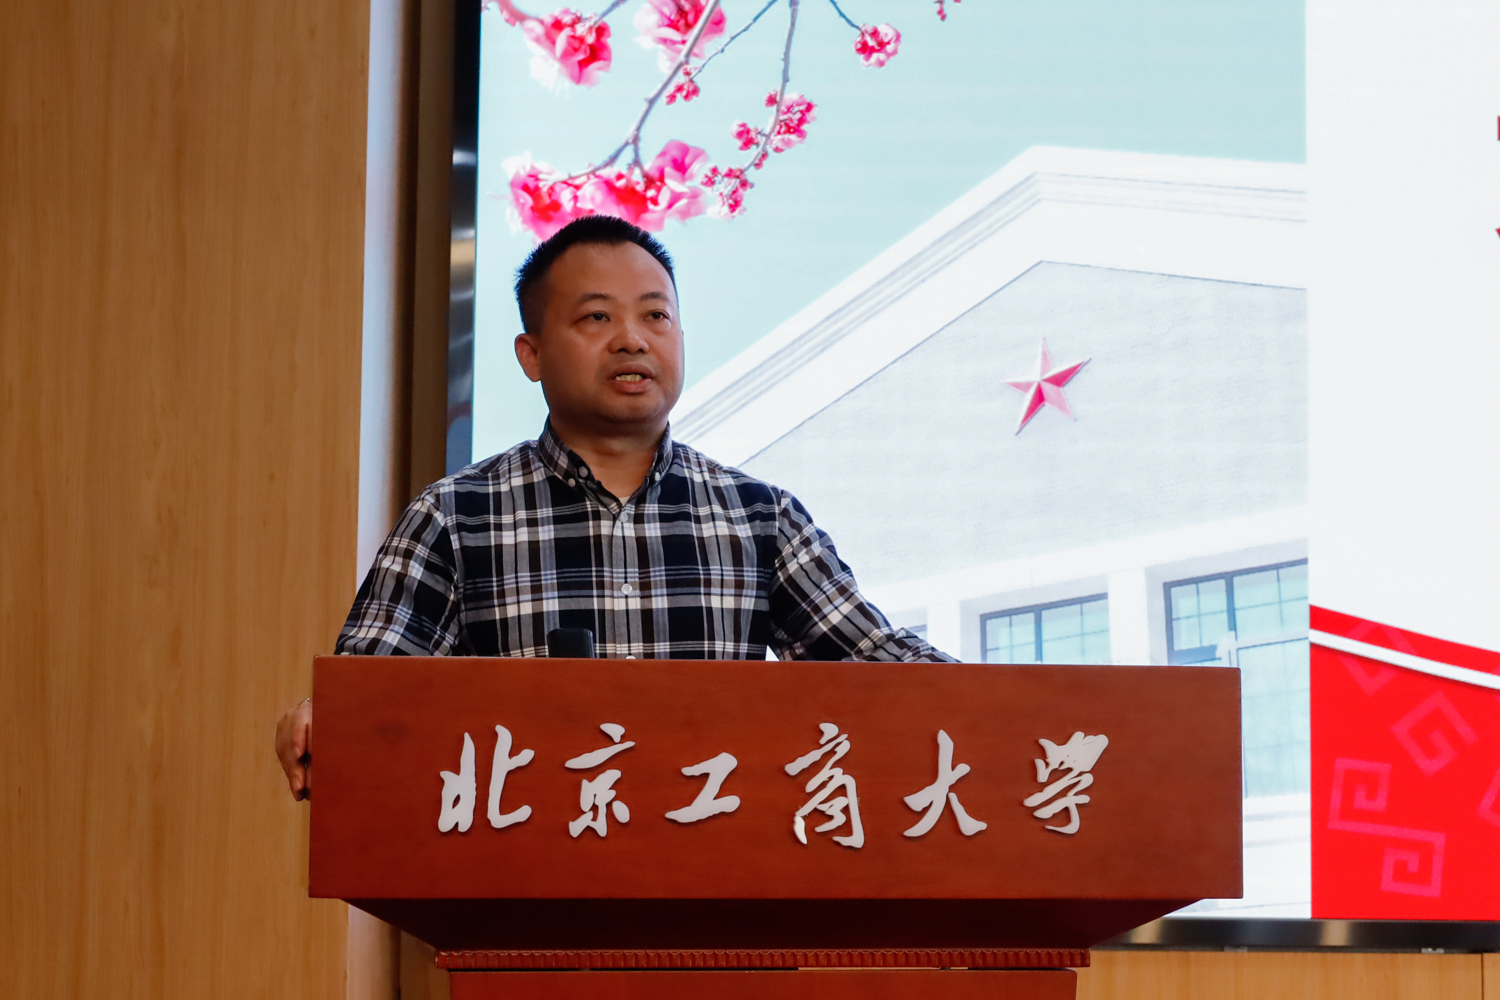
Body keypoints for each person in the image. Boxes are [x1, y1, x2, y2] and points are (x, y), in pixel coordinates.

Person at [275, 215, 949, 800]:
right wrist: (323, 716)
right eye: (597, 317)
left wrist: (1004, 705)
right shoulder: (456, 516)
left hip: (717, 876)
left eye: (656, 316)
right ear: (532, 354)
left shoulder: (759, 518)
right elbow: (371, 689)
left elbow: (875, 663)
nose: (633, 339)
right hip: (523, 885)